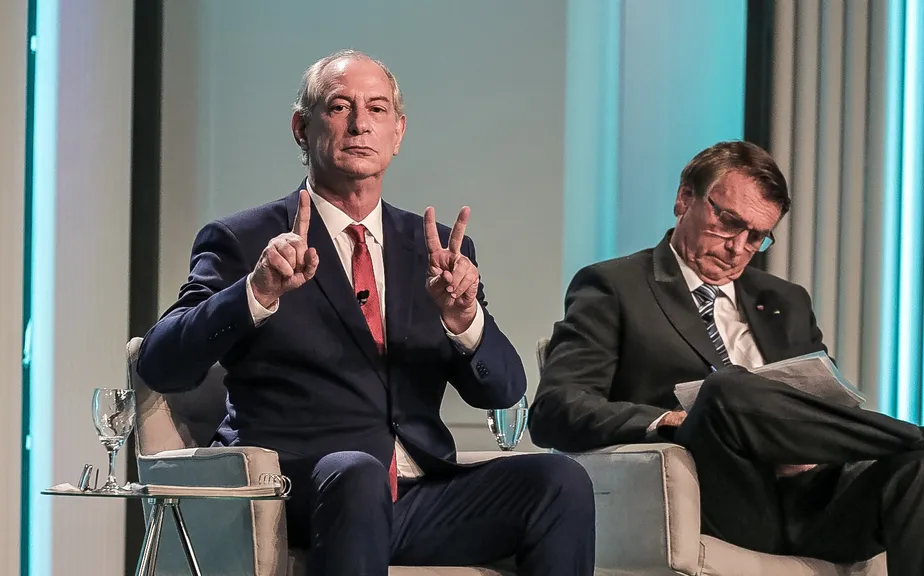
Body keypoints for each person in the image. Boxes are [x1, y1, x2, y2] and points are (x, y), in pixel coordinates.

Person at [136, 50, 595, 575]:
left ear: (397, 133)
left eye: (377, 109)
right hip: (306, 494)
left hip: (421, 499)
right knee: (356, 473)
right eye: (339, 107)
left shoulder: (436, 249)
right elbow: (160, 364)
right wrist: (256, 292)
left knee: (560, 483)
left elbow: (505, 389)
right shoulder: (246, 241)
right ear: (301, 129)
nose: (360, 124)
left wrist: (463, 321)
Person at [528, 140, 924, 572]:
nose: (738, 247)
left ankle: (912, 443)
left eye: (756, 236)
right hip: (720, 494)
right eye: (728, 222)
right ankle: (910, 432)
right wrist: (667, 420)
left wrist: (810, 446)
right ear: (684, 199)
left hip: (812, 501)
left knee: (916, 470)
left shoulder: (785, 300)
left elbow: (820, 409)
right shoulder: (614, 286)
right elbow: (555, 410)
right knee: (726, 388)